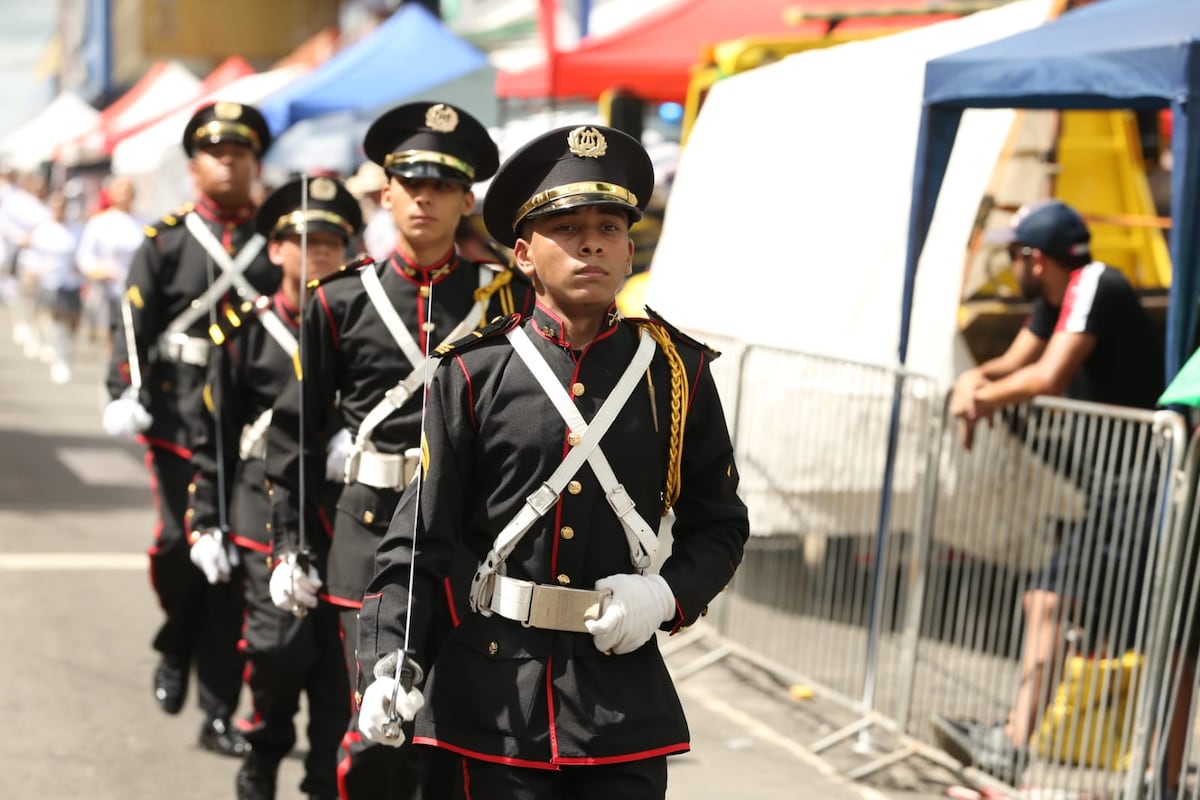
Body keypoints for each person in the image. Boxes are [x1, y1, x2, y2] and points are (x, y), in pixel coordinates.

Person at [353, 123, 750, 799]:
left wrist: (665, 595)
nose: (591, 243)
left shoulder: (677, 373)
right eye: (566, 228)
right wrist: (391, 659)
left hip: (620, 698)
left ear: (629, 251)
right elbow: (420, 539)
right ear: (523, 255)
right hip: (492, 700)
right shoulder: (474, 372)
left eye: (609, 227)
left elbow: (720, 524)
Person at [264, 101, 535, 798]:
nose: (424, 198)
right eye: (411, 183)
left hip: (467, 540)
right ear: (385, 192)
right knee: (376, 727)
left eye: (442, 185)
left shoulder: (505, 294)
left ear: (467, 199)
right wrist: (290, 544)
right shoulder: (339, 300)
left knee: (454, 730)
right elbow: (295, 434)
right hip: (368, 532)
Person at [932, 199, 1164, 777]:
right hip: (1116, 485)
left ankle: (1031, 746)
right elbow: (1012, 363)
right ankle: (1016, 740)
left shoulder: (1094, 285)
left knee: (1081, 608)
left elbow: (1046, 376)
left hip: (1141, 483)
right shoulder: (1059, 298)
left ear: (1036, 258)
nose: (1010, 265)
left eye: (1014, 254)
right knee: (1051, 600)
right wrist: (973, 380)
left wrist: (979, 400)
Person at [101, 101, 279, 757]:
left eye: (239, 153)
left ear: (256, 163)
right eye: (215, 153)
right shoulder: (167, 239)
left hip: (252, 426)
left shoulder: (276, 238)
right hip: (178, 417)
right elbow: (133, 321)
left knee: (233, 565)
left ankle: (217, 711)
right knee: (182, 546)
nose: (227, 163)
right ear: (194, 165)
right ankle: (177, 644)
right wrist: (124, 389)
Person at [187, 175, 364, 799]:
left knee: (338, 664)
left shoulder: (358, 322)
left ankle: (321, 780)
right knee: (278, 651)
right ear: (277, 250)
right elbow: (214, 435)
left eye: (333, 244)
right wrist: (204, 518)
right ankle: (262, 754)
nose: (320, 254)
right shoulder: (246, 331)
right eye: (307, 242)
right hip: (261, 512)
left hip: (341, 514)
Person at [75, 175, 144, 350]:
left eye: (128, 190)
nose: (124, 194)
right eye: (120, 189)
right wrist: (100, 272)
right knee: (112, 340)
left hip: (138, 292)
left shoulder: (145, 222)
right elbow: (84, 257)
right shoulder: (99, 222)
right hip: (110, 293)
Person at [22, 191, 82, 383]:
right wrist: (33, 271)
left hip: (71, 283)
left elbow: (83, 254)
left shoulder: (77, 230)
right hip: (48, 282)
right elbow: (32, 256)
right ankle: (60, 358)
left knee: (71, 323)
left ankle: (66, 352)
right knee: (54, 321)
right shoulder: (42, 230)